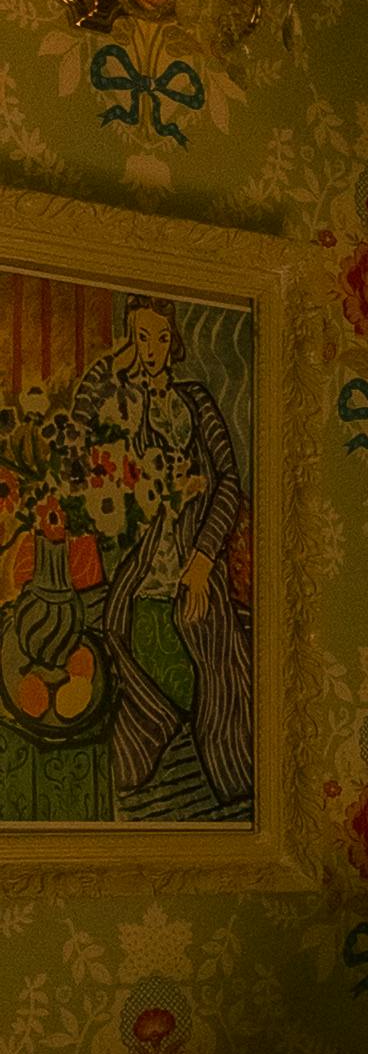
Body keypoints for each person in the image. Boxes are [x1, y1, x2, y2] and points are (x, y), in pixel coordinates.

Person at [66, 294, 253, 820]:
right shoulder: (116, 405)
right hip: (138, 571)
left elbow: (229, 482)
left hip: (195, 564)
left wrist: (200, 563)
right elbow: (75, 452)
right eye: (141, 337)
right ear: (130, 339)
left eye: (161, 338)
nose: (151, 350)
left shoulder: (194, 401)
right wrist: (105, 371)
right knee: (128, 642)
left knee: (213, 659)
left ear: (175, 343)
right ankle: (154, 730)